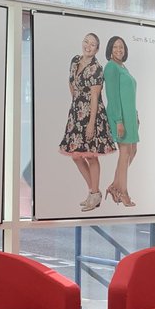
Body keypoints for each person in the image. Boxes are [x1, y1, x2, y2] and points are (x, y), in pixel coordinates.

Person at [58, 32, 116, 211]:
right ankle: (94, 192)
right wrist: (76, 104)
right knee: (76, 155)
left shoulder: (96, 68)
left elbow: (95, 96)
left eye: (92, 44)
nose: (88, 46)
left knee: (91, 155)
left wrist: (91, 123)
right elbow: (71, 83)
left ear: (97, 49)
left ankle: (94, 194)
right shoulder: (75, 61)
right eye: (86, 42)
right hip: (76, 114)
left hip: (93, 115)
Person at [103, 36, 139, 208]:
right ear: (110, 49)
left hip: (130, 116)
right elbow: (112, 96)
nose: (119, 50)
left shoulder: (122, 67)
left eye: (121, 47)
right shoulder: (111, 67)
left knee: (132, 151)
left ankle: (114, 186)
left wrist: (135, 114)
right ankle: (123, 193)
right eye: (116, 47)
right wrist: (118, 121)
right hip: (119, 116)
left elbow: (128, 94)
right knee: (124, 153)